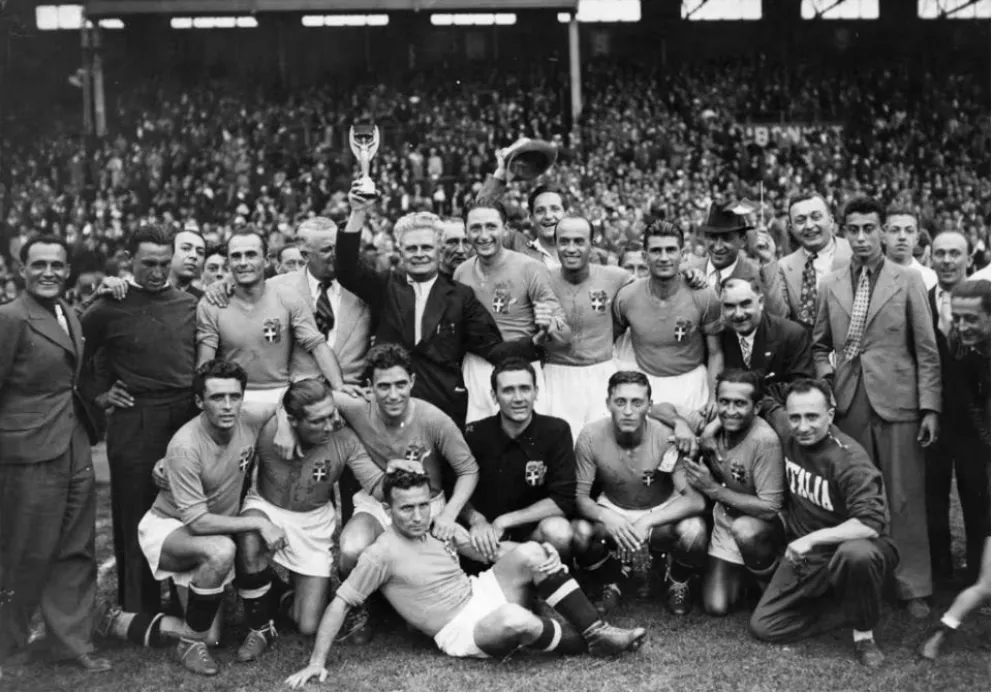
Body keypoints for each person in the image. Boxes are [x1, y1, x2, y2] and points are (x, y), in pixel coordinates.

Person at [283, 470, 646, 689]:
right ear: (389, 510)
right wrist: (317, 661)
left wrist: (539, 554)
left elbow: (485, 552)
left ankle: (598, 631)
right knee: (515, 619)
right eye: (406, 508)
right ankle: (585, 643)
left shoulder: (438, 528)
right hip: (459, 628)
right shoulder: (381, 553)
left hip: (479, 593)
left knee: (534, 552)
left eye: (423, 505)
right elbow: (340, 601)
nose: (417, 515)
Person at [100, 360, 282, 676]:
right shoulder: (185, 446)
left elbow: (289, 402)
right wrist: (259, 522)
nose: (227, 406)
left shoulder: (249, 416)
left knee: (209, 636)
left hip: (211, 530)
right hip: (173, 528)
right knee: (222, 550)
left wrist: (289, 428)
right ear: (199, 402)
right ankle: (177, 641)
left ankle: (118, 621)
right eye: (216, 398)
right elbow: (198, 523)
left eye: (234, 396)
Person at [812, 195, 941, 617]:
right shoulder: (830, 284)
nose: (863, 237)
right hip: (849, 402)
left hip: (899, 402)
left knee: (903, 493)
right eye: (854, 229)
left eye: (871, 228)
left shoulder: (908, 280)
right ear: (843, 232)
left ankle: (912, 585)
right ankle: (857, 579)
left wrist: (930, 409)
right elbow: (818, 347)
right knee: (857, 494)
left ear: (884, 231)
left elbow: (926, 350)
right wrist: (827, 383)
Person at [316, 343, 480, 643]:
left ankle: (406, 609)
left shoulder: (433, 418)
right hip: (379, 502)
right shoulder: (356, 408)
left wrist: (449, 513)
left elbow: (469, 469)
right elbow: (306, 394)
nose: (393, 395)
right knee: (352, 547)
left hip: (425, 504)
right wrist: (336, 390)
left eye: (401, 384)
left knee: (435, 577)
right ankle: (362, 608)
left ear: (413, 382)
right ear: (369, 387)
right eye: (384, 386)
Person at [0, 235, 111, 674]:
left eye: (56, 265)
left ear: (67, 271)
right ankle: (8, 642)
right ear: (22, 269)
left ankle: (69, 641)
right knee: (24, 548)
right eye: (39, 264)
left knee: (75, 547)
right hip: (26, 450)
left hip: (72, 442)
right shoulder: (9, 318)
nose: (48, 272)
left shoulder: (70, 313)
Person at [80, 225, 199, 615]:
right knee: (134, 513)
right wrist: (100, 393)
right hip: (135, 417)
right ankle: (137, 609)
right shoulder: (106, 306)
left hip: (183, 415)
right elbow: (75, 359)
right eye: (148, 262)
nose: (157, 271)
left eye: (165, 262)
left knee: (187, 510)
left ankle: (186, 605)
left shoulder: (187, 303)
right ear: (128, 259)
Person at [233, 379, 394, 662]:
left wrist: (399, 476)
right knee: (249, 536)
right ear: (294, 420)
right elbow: (234, 423)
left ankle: (279, 595)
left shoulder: (344, 438)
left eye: (331, 414)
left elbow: (375, 483)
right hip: (267, 508)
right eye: (319, 421)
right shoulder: (268, 426)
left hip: (313, 522)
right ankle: (259, 628)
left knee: (308, 624)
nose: (331, 423)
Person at [748, 379, 899, 669]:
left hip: (856, 545)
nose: (803, 426)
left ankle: (863, 634)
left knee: (856, 554)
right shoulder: (787, 428)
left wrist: (812, 539)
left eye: (812, 417)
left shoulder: (849, 459)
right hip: (811, 555)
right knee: (765, 626)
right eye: (795, 417)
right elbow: (765, 400)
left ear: (830, 415)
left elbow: (869, 525)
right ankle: (842, 609)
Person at [337, 191, 510, 427]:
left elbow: (492, 346)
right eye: (412, 248)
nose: (419, 254)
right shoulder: (385, 286)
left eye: (426, 247)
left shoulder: (460, 295)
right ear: (400, 251)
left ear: (439, 249)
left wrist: (538, 344)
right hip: (387, 405)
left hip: (443, 405)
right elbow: (346, 268)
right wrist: (358, 212)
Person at [572, 371, 709, 616]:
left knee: (694, 530)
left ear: (649, 406)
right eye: (620, 402)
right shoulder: (590, 435)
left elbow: (695, 500)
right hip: (614, 506)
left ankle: (675, 580)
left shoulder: (666, 437)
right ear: (607, 404)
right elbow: (580, 498)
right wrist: (608, 517)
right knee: (580, 533)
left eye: (637, 402)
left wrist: (646, 521)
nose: (627, 410)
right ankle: (611, 579)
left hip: (659, 509)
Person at [917, 279, 991, 660]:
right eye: (956, 319)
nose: (961, 327)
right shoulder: (972, 353)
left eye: (971, 319)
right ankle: (945, 629)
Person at [196, 229, 352, 407]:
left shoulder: (287, 298)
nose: (243, 262)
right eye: (236, 256)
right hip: (233, 397)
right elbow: (205, 364)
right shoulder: (213, 303)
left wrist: (339, 386)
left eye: (251, 255)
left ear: (266, 260)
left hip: (280, 394)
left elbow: (316, 345)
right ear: (228, 263)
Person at [454, 199, 570, 424]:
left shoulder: (530, 268)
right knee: (479, 445)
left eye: (491, 226)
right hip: (476, 369)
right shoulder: (461, 272)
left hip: (520, 366)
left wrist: (550, 325)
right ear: (466, 232)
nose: (484, 235)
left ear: (505, 229)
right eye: (475, 228)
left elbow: (565, 335)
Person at [685, 371, 785, 616]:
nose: (730, 411)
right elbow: (660, 409)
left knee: (745, 531)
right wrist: (687, 428)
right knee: (716, 607)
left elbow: (770, 507)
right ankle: (743, 578)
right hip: (725, 521)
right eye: (724, 402)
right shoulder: (712, 424)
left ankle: (772, 584)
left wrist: (713, 489)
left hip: (759, 525)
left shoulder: (764, 441)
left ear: (757, 406)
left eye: (740, 404)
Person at [461, 359, 576, 563]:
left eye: (525, 389)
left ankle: (551, 588)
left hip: (533, 532)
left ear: (536, 392)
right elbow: (455, 489)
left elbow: (563, 499)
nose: (518, 398)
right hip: (487, 536)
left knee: (559, 531)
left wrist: (506, 521)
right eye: (508, 390)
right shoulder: (473, 434)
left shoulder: (556, 431)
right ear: (494, 396)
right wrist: (476, 520)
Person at [926, 232, 990, 584]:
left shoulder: (983, 301)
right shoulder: (919, 298)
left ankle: (981, 572)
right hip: (934, 414)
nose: (947, 260)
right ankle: (939, 570)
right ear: (930, 257)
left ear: (969, 258)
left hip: (975, 419)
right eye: (940, 253)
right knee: (933, 495)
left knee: (977, 495)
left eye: (955, 253)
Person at [613, 220, 724, 419]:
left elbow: (715, 352)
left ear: (682, 254)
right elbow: (610, 343)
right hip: (645, 384)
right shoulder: (626, 297)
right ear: (645, 256)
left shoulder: (704, 295)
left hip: (692, 385)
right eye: (656, 251)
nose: (664, 258)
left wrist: (714, 397)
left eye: (671, 250)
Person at [544, 214, 630, 439]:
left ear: (592, 244)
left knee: (602, 446)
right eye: (564, 241)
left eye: (579, 241)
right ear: (556, 244)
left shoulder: (616, 277)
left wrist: (692, 274)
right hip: (556, 376)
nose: (571, 248)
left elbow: (652, 287)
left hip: (601, 373)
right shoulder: (541, 278)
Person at [266, 217, 371, 388]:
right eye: (327, 250)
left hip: (353, 395)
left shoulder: (365, 287)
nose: (337, 255)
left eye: (339, 248)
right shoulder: (276, 287)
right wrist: (221, 289)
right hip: (298, 395)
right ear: (305, 255)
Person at [717, 277, 814, 437]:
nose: (738, 314)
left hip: (779, 423)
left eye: (745, 304)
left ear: (760, 302)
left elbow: (801, 387)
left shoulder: (791, 334)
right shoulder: (721, 337)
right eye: (729, 306)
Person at [684, 200, 787, 318]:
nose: (717, 247)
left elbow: (778, 316)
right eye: (713, 237)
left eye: (726, 238)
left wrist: (769, 262)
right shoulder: (688, 271)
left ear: (742, 241)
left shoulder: (757, 274)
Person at [775, 192, 852, 329]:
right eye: (800, 221)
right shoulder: (784, 267)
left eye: (816, 217)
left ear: (831, 221)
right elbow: (779, 319)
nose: (809, 226)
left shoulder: (855, 254)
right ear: (791, 229)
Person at [883, 206, 938, 291]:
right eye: (895, 230)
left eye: (909, 231)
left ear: (917, 238)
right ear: (883, 236)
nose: (902, 237)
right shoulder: (869, 277)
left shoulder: (932, 279)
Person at [168, 228, 207, 299]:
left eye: (200, 252)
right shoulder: (149, 293)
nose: (194, 256)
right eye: (186, 248)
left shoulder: (204, 300)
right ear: (169, 252)